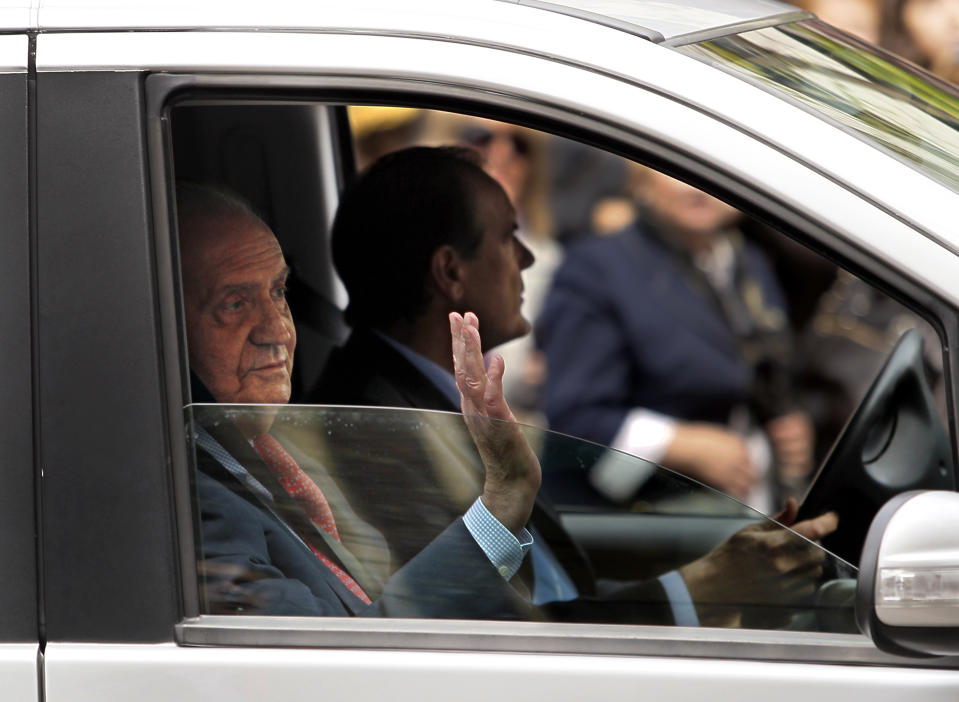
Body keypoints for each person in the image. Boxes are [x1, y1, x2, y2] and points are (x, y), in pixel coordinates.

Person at [309, 146, 838, 628]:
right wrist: (697, 592)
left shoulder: (422, 398)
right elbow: (480, 631)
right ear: (450, 271)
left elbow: (547, 586)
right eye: (507, 236)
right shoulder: (377, 425)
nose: (528, 258)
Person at [178, 182, 539, 619]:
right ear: (169, 327)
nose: (278, 330)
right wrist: (503, 502)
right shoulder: (186, 499)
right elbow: (334, 666)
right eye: (234, 304)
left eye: (278, 293)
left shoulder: (275, 458)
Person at [538, 168, 814, 513]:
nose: (698, 187)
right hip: (636, 526)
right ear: (642, 178)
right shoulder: (595, 267)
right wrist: (681, 446)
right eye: (678, 170)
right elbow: (574, 417)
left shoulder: (750, 263)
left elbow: (759, 373)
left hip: (747, 512)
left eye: (717, 166)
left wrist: (787, 430)